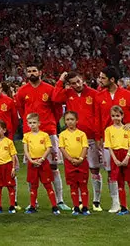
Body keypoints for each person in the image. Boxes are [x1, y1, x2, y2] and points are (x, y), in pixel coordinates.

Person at [97, 66, 130, 213]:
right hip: (110, 143)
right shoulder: (99, 97)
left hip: (129, 141)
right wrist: (98, 136)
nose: (100, 80)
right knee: (112, 173)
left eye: (102, 78)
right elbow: (98, 119)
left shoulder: (127, 95)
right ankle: (116, 203)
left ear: (111, 80)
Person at [15, 65, 66, 209]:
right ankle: (33, 202)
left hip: (48, 132)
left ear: (40, 73)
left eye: (34, 71)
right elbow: (20, 110)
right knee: (32, 167)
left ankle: (60, 200)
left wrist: (50, 123)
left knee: (54, 166)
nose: (32, 73)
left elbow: (57, 110)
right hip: (30, 135)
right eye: (29, 71)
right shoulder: (21, 91)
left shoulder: (49, 89)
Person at [53, 71, 102, 210]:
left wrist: (98, 136)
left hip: (91, 137)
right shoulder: (68, 93)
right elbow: (55, 98)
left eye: (78, 81)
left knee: (94, 169)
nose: (77, 84)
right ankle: (80, 201)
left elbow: (99, 115)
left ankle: (96, 201)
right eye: (73, 83)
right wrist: (60, 80)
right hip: (73, 140)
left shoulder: (93, 93)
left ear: (83, 79)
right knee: (76, 171)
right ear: (70, 84)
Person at [103, 105, 130, 216]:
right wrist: (115, 159)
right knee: (120, 184)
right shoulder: (108, 130)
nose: (116, 118)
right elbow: (109, 146)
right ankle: (123, 208)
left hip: (127, 156)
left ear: (122, 116)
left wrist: (127, 157)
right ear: (111, 117)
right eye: (113, 116)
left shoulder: (127, 129)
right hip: (115, 157)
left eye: (118, 116)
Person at [22, 112, 61, 214]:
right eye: (30, 123)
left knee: (48, 184)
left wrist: (42, 159)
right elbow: (26, 150)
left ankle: (54, 206)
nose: (32, 125)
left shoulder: (44, 135)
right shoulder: (26, 136)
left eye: (34, 122)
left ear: (39, 123)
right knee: (33, 185)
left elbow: (48, 148)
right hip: (32, 162)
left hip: (43, 162)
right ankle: (32, 206)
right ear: (27, 124)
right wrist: (31, 160)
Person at [59, 111, 91, 215]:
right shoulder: (63, 135)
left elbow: (85, 147)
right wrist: (70, 159)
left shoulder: (81, 134)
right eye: (67, 120)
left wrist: (81, 158)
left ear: (76, 121)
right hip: (69, 163)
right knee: (73, 186)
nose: (70, 122)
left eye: (72, 119)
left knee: (83, 185)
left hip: (82, 163)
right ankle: (76, 207)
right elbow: (62, 148)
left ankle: (85, 207)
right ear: (65, 121)